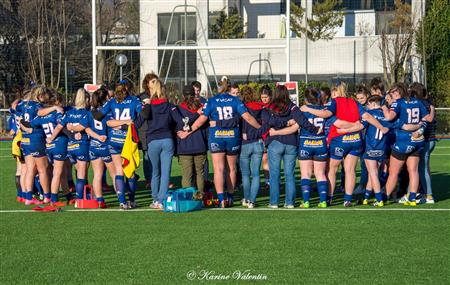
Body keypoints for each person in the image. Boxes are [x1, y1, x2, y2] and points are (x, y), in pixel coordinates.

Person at [177, 78, 261, 208]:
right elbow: (248, 117)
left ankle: (221, 199)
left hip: (216, 137)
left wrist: (187, 132)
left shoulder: (211, 101)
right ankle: (231, 198)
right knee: (231, 169)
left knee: (218, 169)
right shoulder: (235, 100)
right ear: (228, 90)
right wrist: (260, 128)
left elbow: (200, 121)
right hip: (232, 136)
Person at [301, 82, 389, 206]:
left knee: (332, 169)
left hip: (339, 140)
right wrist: (380, 127)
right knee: (350, 170)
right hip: (355, 140)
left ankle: (329, 198)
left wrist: (307, 108)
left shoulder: (334, 102)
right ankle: (347, 199)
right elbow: (367, 116)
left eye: (332, 92)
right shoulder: (354, 102)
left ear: (336, 92)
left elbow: (333, 119)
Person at [271, 88, 328, 208]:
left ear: (306, 99)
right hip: (320, 144)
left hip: (306, 144)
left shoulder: (302, 111)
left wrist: (276, 132)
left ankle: (306, 201)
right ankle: (323, 201)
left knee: (305, 174)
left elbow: (293, 129)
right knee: (320, 174)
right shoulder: (324, 111)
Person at [382, 83, 432, 206]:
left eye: (394, 93)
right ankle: (412, 198)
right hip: (417, 140)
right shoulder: (418, 101)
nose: (392, 95)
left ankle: (384, 198)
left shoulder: (398, 103)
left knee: (393, 172)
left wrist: (383, 105)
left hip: (403, 141)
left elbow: (389, 117)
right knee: (413, 171)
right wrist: (420, 125)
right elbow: (429, 119)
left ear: (400, 92)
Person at [94, 85, 143, 209]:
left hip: (114, 140)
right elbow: (142, 114)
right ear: (127, 90)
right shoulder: (134, 100)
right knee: (130, 170)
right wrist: (127, 123)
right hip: (127, 140)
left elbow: (99, 116)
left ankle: (122, 202)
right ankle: (131, 201)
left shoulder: (111, 102)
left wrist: (118, 123)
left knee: (118, 171)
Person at [49, 88, 90, 206]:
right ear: (86, 99)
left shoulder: (69, 112)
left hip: (70, 147)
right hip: (82, 144)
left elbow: (59, 127)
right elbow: (85, 127)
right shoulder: (86, 113)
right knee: (82, 173)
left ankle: (78, 194)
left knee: (73, 171)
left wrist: (51, 138)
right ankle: (80, 198)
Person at [27, 89, 69, 206]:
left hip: (48, 147)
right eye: (61, 102)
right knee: (58, 173)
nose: (62, 105)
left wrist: (27, 129)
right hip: (59, 143)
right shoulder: (58, 112)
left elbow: (31, 123)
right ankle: (54, 199)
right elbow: (61, 126)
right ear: (57, 102)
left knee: (58, 172)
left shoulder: (43, 115)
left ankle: (67, 195)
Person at [140, 79, 176, 209]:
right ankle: (161, 200)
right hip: (167, 139)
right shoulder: (168, 105)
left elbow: (138, 122)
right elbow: (176, 120)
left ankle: (155, 199)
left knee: (155, 172)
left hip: (153, 140)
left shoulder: (149, 105)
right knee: (166, 172)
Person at [16, 86, 50, 205]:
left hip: (25, 140)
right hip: (36, 140)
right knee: (42, 170)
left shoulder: (23, 106)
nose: (47, 97)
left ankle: (28, 198)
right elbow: (41, 112)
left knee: (30, 170)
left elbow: (18, 117)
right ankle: (47, 197)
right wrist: (54, 107)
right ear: (39, 95)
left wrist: (25, 128)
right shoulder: (36, 105)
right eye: (45, 95)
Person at [84, 87, 117, 208]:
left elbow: (86, 128)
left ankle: (99, 200)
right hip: (106, 145)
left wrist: (97, 137)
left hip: (93, 146)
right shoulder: (107, 112)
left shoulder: (90, 112)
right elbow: (111, 125)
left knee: (97, 174)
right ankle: (121, 198)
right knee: (114, 174)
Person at [174, 85, 208, 194]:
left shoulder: (178, 109)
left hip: (184, 146)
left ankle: (188, 198)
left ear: (183, 96)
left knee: (187, 174)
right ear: (195, 95)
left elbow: (177, 126)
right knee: (200, 173)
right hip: (200, 144)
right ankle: (200, 197)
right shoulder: (202, 107)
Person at [410, 83, 437, 203]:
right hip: (431, 140)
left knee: (421, 168)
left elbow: (428, 120)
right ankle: (421, 192)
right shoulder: (428, 103)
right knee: (423, 168)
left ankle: (428, 195)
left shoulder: (420, 104)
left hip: (425, 140)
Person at [239, 86, 265, 208]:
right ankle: (252, 201)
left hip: (245, 143)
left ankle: (246, 198)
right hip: (258, 142)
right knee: (255, 174)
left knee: (245, 174)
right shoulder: (260, 107)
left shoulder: (241, 107)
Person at [139, 73, 157, 189]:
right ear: (147, 83)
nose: (156, 83)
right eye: (153, 81)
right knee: (147, 156)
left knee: (158, 155)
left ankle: (158, 178)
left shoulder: (160, 95)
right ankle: (149, 179)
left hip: (157, 129)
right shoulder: (142, 96)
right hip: (145, 130)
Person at [259, 85, 272, 189]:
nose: (264, 99)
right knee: (265, 159)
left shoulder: (274, 107)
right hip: (262, 137)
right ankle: (267, 181)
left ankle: (275, 180)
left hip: (272, 136)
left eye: (266, 97)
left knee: (274, 159)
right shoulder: (259, 107)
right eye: (262, 97)